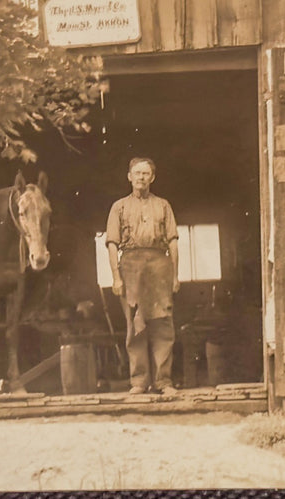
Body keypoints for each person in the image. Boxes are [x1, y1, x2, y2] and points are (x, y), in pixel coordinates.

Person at [104, 157, 180, 395]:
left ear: (152, 178)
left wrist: (175, 276)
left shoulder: (164, 205)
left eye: (146, 173)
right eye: (137, 173)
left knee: (162, 324)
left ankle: (164, 382)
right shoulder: (119, 207)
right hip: (131, 267)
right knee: (135, 324)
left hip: (159, 266)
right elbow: (112, 245)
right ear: (129, 176)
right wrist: (116, 277)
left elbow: (173, 242)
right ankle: (139, 381)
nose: (141, 177)